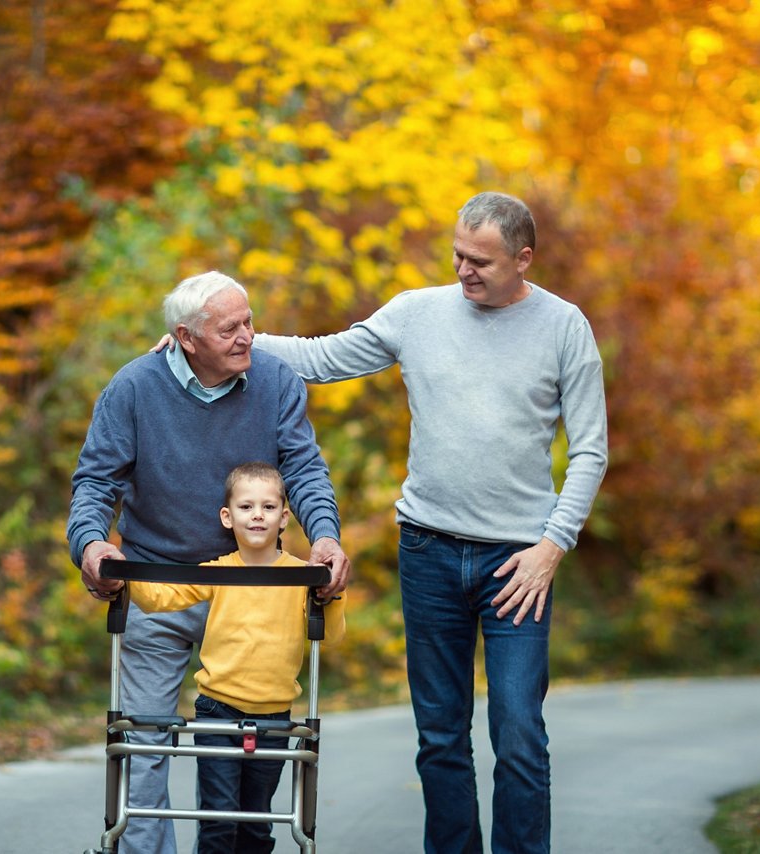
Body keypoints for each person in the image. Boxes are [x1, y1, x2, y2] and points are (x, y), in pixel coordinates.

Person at [250, 192, 608, 853]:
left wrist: (553, 546)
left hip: (518, 565)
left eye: (481, 261)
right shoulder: (418, 313)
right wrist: (230, 340)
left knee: (520, 734)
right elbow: (326, 358)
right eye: (457, 255)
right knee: (440, 738)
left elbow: (591, 449)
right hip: (429, 552)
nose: (464, 269)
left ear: (523, 259)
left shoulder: (564, 327)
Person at [67, 271, 350, 854]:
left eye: (249, 321)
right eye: (232, 328)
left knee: (241, 755)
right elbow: (95, 482)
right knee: (145, 748)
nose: (250, 336)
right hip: (159, 584)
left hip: (252, 596)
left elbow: (304, 470)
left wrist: (324, 536)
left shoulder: (274, 381)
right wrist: (92, 544)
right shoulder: (134, 388)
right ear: (186, 337)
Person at [125, 461, 346, 854]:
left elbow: (331, 633)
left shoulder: (300, 576)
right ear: (227, 517)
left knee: (257, 823)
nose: (257, 515)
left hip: (275, 714)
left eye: (267, 507)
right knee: (219, 820)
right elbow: (162, 597)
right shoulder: (218, 572)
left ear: (284, 517)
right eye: (246, 507)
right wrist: (123, 573)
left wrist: (330, 593)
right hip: (218, 711)